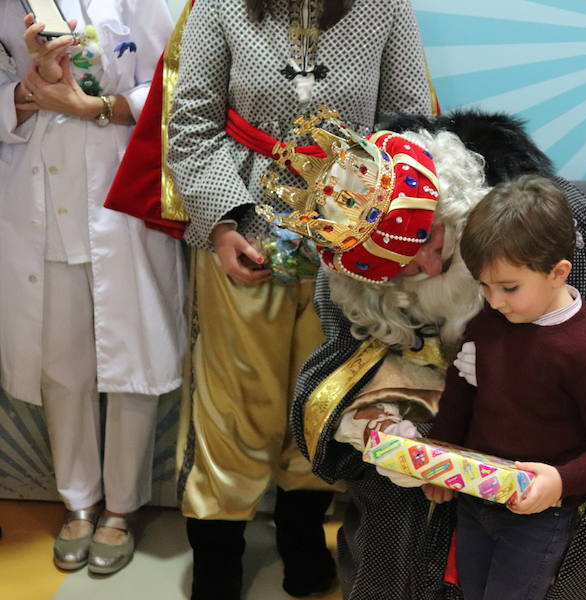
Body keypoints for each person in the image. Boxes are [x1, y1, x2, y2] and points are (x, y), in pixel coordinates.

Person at [285, 110, 586, 599]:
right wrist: (382, 422)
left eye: (431, 240)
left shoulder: (543, 231)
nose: (428, 264)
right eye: (402, 266)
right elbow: (342, 369)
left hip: (552, 441)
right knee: (394, 514)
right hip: (444, 443)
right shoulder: (348, 282)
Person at [165, 1, 435, 598]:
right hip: (245, 231)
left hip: (348, 238)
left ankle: (302, 536)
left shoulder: (384, 7)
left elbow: (411, 126)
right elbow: (191, 124)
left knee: (323, 391)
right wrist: (222, 223)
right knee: (235, 397)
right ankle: (217, 557)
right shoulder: (221, 5)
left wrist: (379, 232)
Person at [0, 0, 182, 575]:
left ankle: (121, 508)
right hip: (34, 199)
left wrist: (96, 106)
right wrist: (30, 92)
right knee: (62, 361)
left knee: (132, 355)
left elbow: (172, 78)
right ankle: (77, 500)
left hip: (117, 192)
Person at [419, 174, 586, 600]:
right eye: (484, 286)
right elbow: (460, 394)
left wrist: (560, 481)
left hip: (536, 518)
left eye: (509, 288)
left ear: (558, 273)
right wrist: (440, 456)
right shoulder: (487, 323)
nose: (494, 300)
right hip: (474, 497)